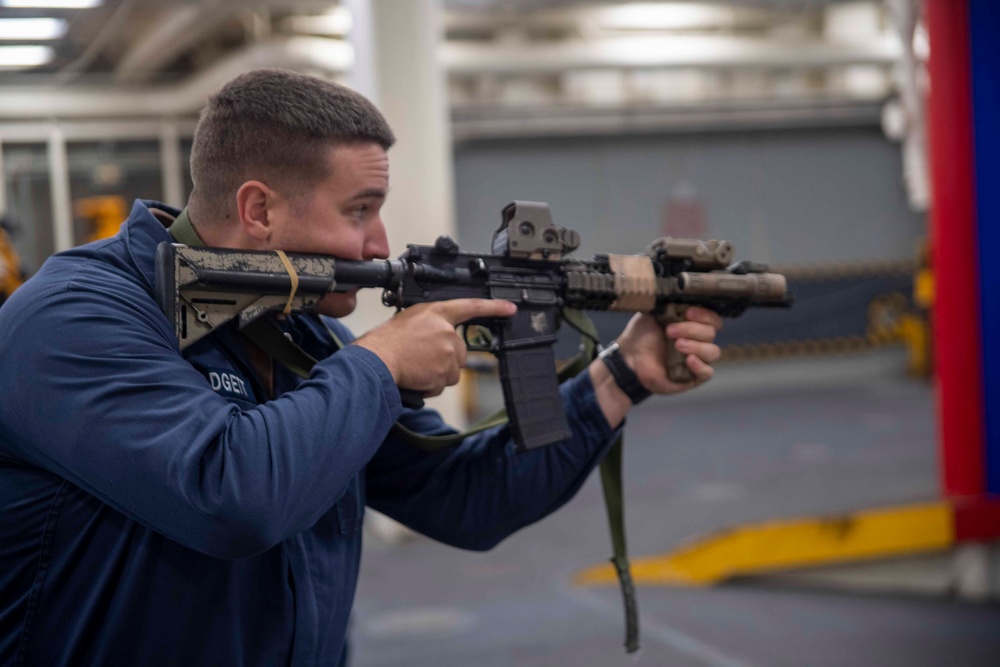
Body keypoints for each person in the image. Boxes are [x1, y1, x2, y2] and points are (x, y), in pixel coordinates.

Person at [0, 68, 722, 666]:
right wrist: (379, 363)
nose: (380, 239)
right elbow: (229, 494)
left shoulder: (299, 332)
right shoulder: (74, 317)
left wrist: (622, 374)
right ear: (259, 211)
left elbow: (466, 496)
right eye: (360, 209)